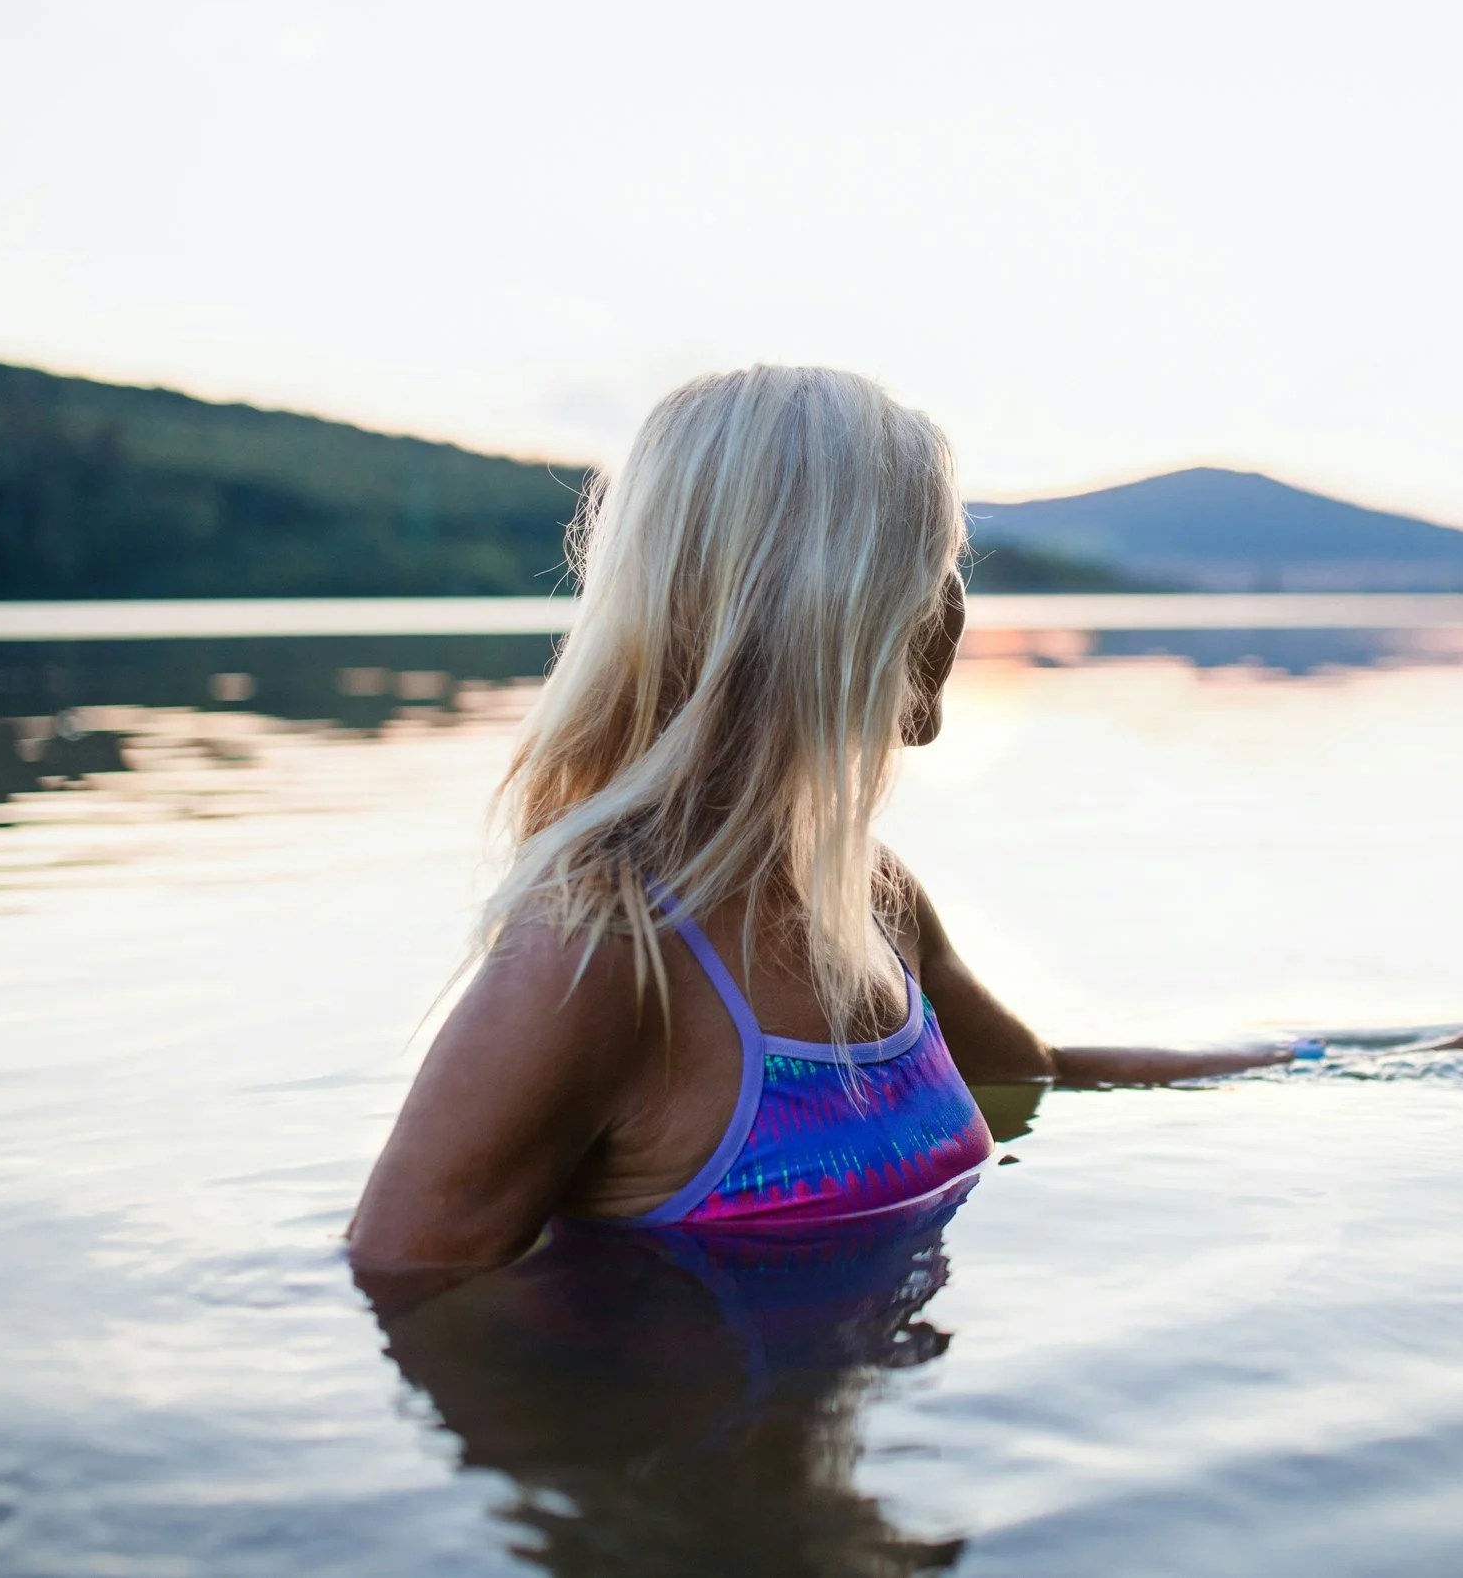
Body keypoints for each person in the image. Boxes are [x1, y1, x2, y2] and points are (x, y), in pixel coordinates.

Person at [348, 367, 1292, 1301]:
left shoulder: (874, 902)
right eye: (936, 566)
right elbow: (401, 1285)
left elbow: (1034, 1074)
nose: (955, 601)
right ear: (860, 609)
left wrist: (1324, 1058)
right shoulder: (597, 953)